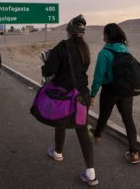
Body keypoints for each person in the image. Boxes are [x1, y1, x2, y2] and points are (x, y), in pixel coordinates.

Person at [42, 14, 99, 186]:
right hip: (82, 96)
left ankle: (58, 153)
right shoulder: (85, 49)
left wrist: (46, 58)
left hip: (65, 96)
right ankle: (90, 174)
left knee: (60, 121)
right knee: (81, 130)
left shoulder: (62, 47)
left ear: (68, 31)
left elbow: (48, 71)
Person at [89, 23, 140, 164]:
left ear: (108, 35)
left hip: (110, 90)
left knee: (104, 115)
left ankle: (97, 135)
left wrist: (92, 94)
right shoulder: (126, 50)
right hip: (126, 91)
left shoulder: (104, 53)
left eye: (104, 33)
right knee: (128, 119)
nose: (102, 36)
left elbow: (98, 76)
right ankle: (134, 153)